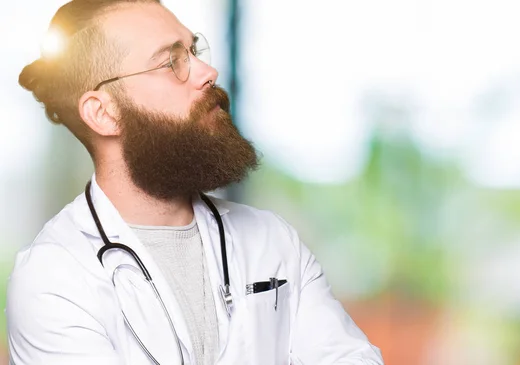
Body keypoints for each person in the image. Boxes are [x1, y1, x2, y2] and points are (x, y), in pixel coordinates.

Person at [6, 0, 384, 364]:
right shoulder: (52, 279)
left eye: (194, 50)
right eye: (172, 61)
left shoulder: (272, 240)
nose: (207, 72)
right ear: (104, 113)